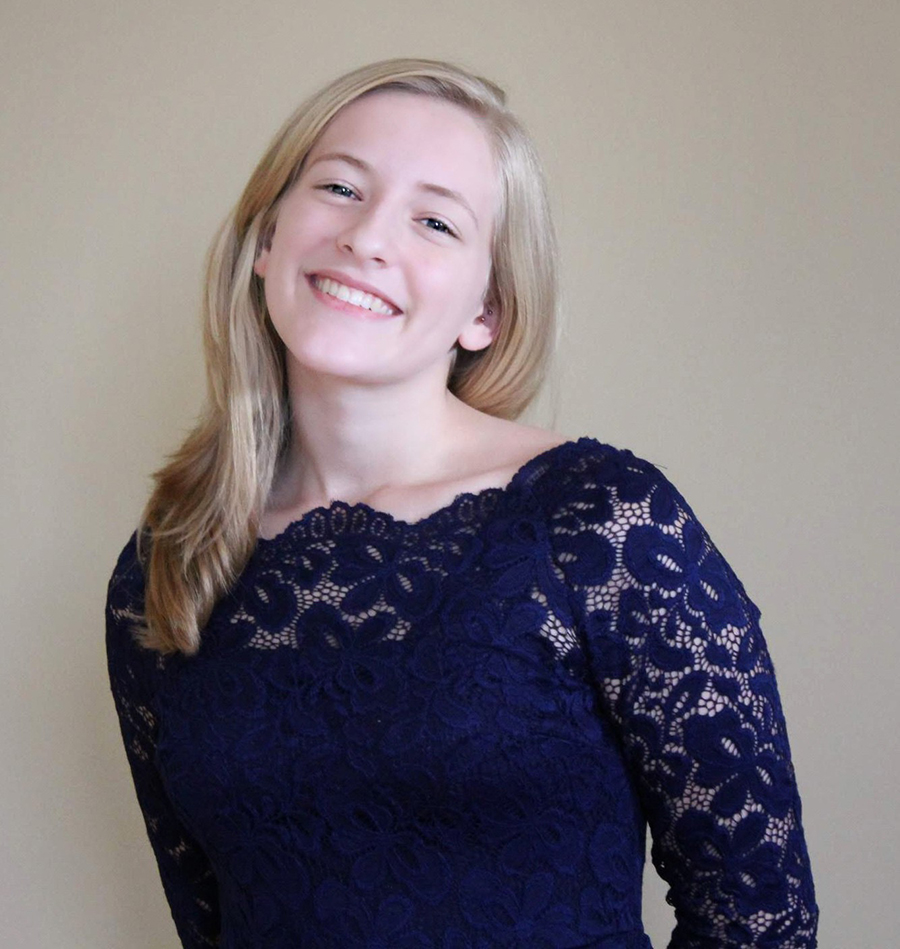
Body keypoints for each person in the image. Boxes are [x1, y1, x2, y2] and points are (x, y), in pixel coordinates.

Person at [106, 58, 818, 948]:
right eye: (338, 187)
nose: (367, 238)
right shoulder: (167, 566)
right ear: (266, 239)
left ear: (487, 308)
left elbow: (761, 916)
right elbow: (206, 916)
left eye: (435, 220)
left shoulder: (597, 522)